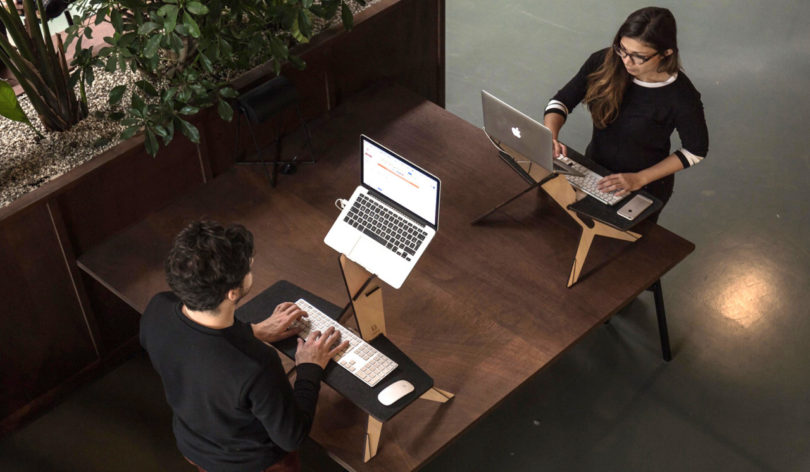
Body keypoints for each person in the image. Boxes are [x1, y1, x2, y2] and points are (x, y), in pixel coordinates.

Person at [140, 220, 348, 472]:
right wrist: (309, 368)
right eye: (248, 267)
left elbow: (194, 347)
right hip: (250, 465)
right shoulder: (255, 365)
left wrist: (252, 331)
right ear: (232, 293)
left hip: (192, 445)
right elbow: (291, 437)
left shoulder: (158, 308)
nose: (250, 267)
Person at [544, 6, 708, 218]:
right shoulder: (604, 61)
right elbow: (561, 101)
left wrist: (639, 178)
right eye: (622, 49)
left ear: (666, 53)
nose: (626, 61)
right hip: (594, 170)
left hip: (644, 186)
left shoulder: (681, 96)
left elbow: (695, 150)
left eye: (639, 56)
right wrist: (550, 136)